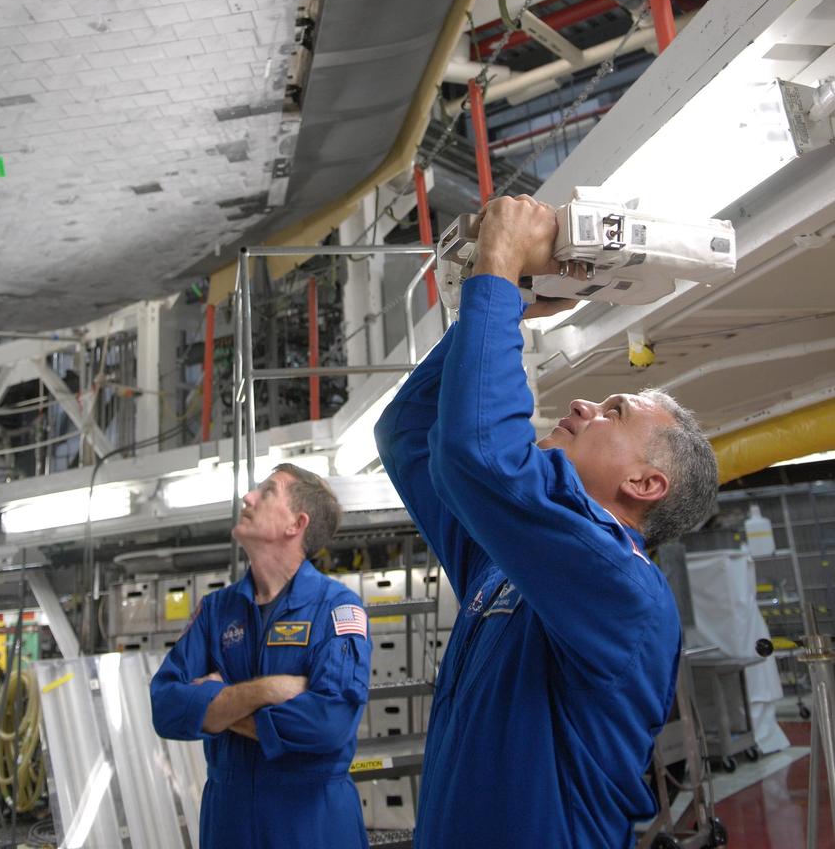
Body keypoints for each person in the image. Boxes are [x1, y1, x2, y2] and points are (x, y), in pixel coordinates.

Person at [375, 195, 718, 849]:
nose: (585, 402)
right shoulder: (508, 562)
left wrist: (499, 272)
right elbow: (408, 434)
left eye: (614, 412)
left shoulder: (625, 592)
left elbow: (479, 450)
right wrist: (511, 305)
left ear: (645, 484)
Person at [150, 463, 371, 849]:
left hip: (310, 820)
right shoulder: (218, 609)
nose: (248, 497)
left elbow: (329, 723)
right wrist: (265, 690)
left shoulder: (335, 608)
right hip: (228, 819)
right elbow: (165, 706)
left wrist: (217, 707)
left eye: (267, 492)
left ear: (295, 524)